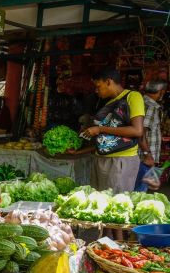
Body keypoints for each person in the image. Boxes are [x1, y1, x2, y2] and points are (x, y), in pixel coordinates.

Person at [71, 68, 144, 239]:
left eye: (98, 86)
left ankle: (119, 247)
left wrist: (99, 128)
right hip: (102, 161)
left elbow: (137, 130)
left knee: (117, 208)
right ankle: (106, 244)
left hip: (120, 161)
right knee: (104, 207)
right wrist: (79, 151)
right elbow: (104, 141)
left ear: (109, 81)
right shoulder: (108, 103)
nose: (97, 90)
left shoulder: (133, 97)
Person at [135, 80, 166, 192]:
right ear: (161, 92)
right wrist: (147, 155)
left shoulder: (140, 102)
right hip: (144, 157)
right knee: (140, 191)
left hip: (139, 155)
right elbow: (141, 132)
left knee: (138, 188)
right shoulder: (151, 107)